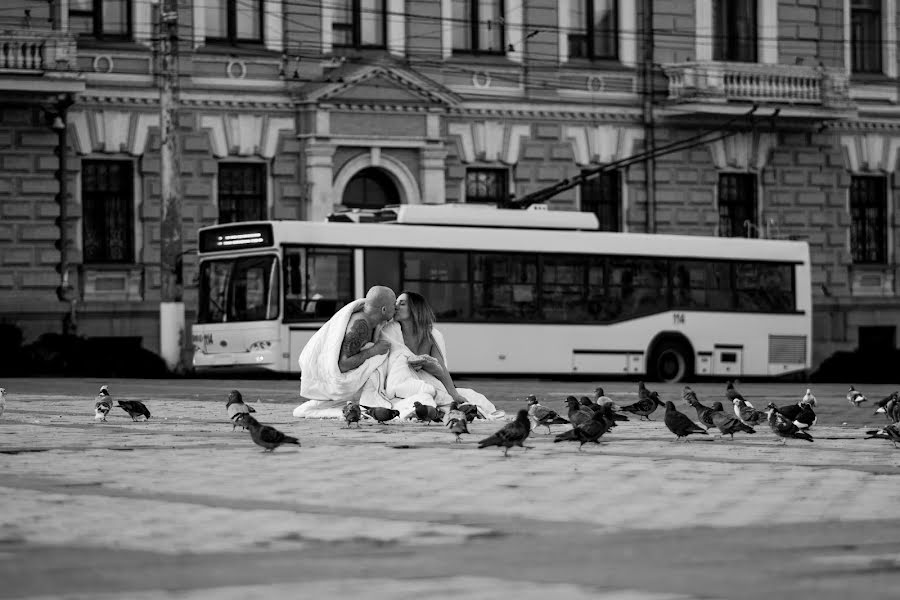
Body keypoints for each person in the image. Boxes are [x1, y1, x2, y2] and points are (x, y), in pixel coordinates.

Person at [373, 291, 505, 421]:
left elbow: (440, 369)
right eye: (395, 303)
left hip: (426, 381)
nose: (396, 306)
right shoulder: (388, 331)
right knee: (425, 395)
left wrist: (454, 393)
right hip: (400, 383)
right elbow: (385, 363)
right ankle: (445, 409)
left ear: (415, 309)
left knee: (471, 395)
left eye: (401, 304)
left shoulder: (431, 335)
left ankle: (449, 409)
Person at [293, 285, 397, 419]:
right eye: (394, 305)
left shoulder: (372, 321)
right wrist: (374, 350)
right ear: (384, 309)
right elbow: (343, 364)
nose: (396, 308)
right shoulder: (360, 325)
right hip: (337, 376)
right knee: (381, 359)